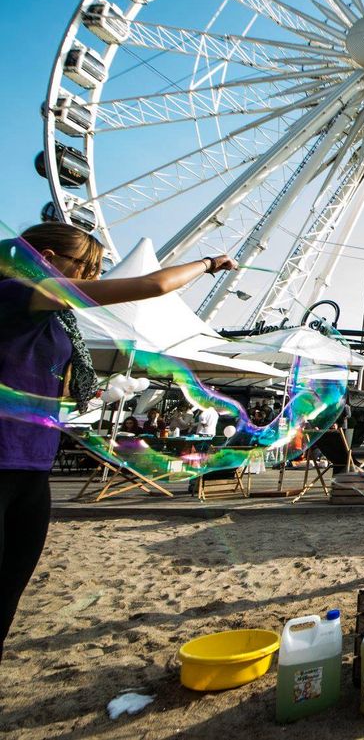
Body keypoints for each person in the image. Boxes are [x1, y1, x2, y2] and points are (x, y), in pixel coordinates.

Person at [0, 222, 236, 661]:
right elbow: (152, 284)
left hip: (33, 468)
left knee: (7, 599)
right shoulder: (13, 295)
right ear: (46, 259)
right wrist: (208, 263)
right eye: (84, 269)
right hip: (2, 459)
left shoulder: (54, 322)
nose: (88, 281)